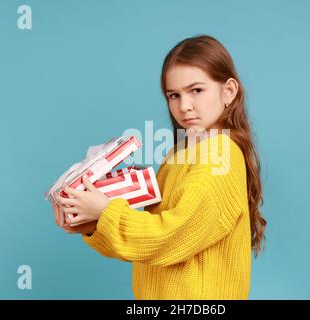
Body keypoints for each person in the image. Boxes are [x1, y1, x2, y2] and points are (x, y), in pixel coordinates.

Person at [52, 34, 266, 299]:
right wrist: (92, 223)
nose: (184, 106)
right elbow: (148, 243)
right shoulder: (181, 154)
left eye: (196, 90)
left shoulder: (219, 157)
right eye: (173, 95)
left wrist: (105, 212)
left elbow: (170, 237)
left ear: (228, 91)